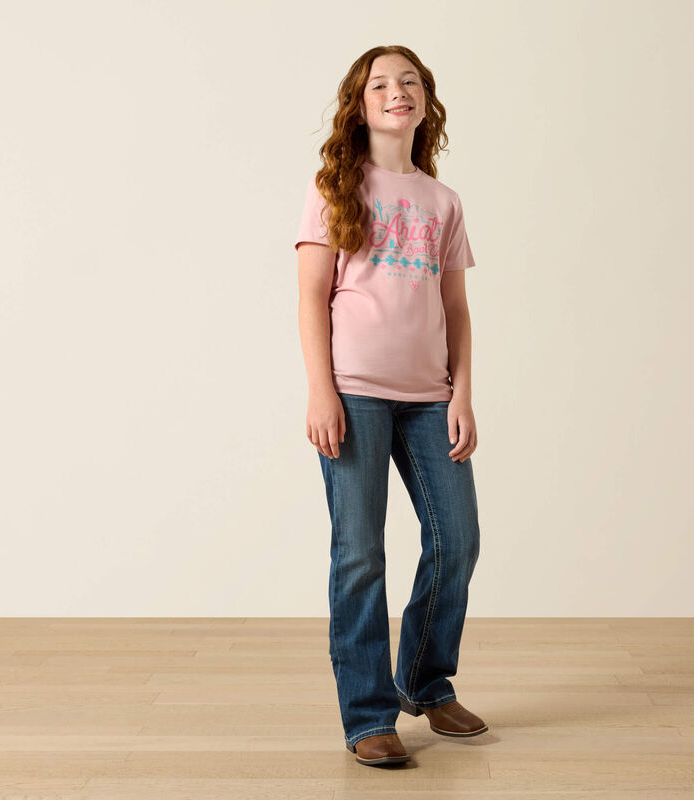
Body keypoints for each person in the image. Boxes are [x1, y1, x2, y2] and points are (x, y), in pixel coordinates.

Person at [294, 45, 487, 767]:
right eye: (380, 83)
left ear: (425, 102)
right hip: (355, 393)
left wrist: (461, 392)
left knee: (457, 539)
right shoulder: (334, 186)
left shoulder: (443, 202)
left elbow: (456, 309)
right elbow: (312, 296)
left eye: (409, 81)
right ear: (361, 102)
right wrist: (322, 390)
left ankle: (425, 682)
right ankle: (369, 715)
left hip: (428, 399)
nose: (396, 91)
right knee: (359, 554)